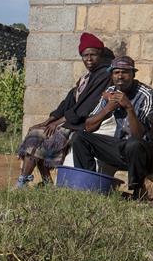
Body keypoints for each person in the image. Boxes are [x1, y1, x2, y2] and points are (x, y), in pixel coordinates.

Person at [15, 33, 112, 188]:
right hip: (73, 119)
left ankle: (23, 181)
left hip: (84, 122)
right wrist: (50, 120)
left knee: (44, 137)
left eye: (93, 54)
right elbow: (69, 101)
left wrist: (60, 122)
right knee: (36, 132)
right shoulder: (87, 78)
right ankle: (41, 181)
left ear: (100, 54)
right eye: (85, 55)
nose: (89, 59)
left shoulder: (103, 75)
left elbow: (86, 106)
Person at [70, 56, 153, 199]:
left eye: (125, 72)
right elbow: (88, 127)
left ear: (133, 75)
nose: (120, 76)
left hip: (145, 154)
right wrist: (108, 109)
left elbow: (139, 136)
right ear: (111, 75)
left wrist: (129, 107)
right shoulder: (111, 91)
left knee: (134, 144)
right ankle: (88, 185)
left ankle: (136, 192)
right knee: (79, 137)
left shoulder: (147, 94)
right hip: (120, 147)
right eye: (116, 72)